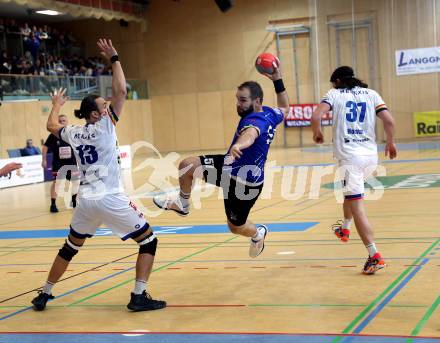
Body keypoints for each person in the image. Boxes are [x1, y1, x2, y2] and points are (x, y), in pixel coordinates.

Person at [31, 39, 166, 312]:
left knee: (70, 247)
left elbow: (49, 124)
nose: (109, 107)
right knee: (149, 241)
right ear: (96, 113)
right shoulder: (105, 125)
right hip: (110, 197)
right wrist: (114, 58)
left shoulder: (75, 133)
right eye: (104, 106)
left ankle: (44, 293)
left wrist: (56, 104)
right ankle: (138, 295)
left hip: (86, 200)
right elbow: (121, 90)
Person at [153, 58, 289, 258]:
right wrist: (278, 79)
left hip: (245, 184)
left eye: (243, 100)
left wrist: (239, 144)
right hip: (229, 167)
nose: (238, 104)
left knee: (235, 227)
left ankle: (258, 234)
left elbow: (251, 134)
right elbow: (285, 107)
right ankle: (183, 204)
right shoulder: (270, 113)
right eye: (237, 99)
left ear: (257, 101)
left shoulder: (255, 120)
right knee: (187, 165)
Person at [311, 66, 397, 275]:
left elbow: (316, 116)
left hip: (350, 157)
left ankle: (374, 255)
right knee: (350, 193)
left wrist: (317, 132)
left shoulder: (334, 94)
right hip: (370, 157)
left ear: (338, 81)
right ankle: (345, 228)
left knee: (358, 205)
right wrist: (391, 143)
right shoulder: (372, 94)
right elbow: (389, 121)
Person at [42, 114, 79, 213]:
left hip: (71, 162)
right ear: (57, 122)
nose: (62, 122)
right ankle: (53, 204)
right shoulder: (53, 135)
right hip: (58, 163)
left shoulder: (72, 132)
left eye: (64, 120)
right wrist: (44, 160)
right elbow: (45, 147)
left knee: (75, 182)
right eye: (60, 120)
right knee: (56, 182)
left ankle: (74, 201)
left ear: (67, 121)